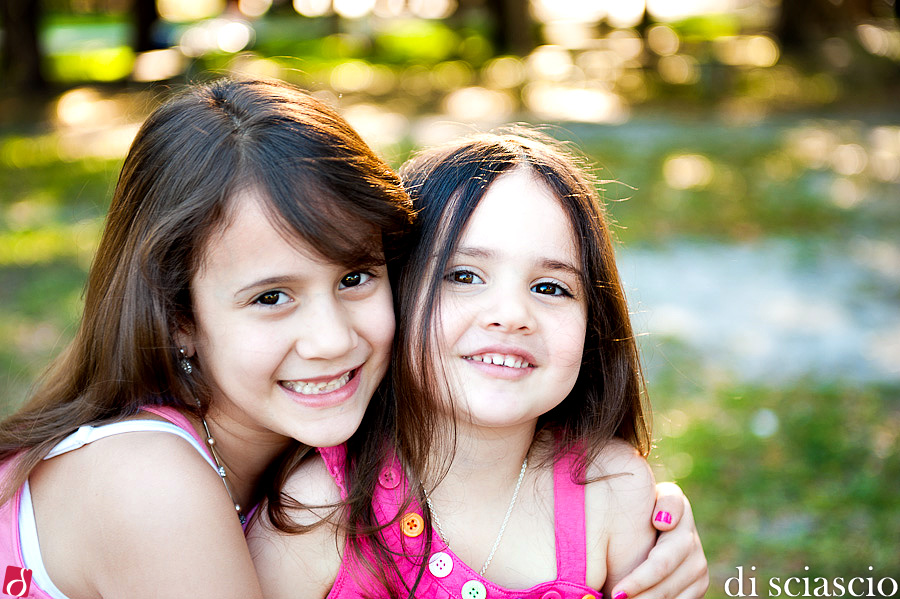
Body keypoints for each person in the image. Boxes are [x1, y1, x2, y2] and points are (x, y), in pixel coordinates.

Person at [249, 130, 709, 599]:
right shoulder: (315, 515)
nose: (510, 315)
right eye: (464, 276)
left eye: (550, 287)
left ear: (593, 323)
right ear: (395, 294)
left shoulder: (613, 493)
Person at [0, 78, 412, 598]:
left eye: (354, 279)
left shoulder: (305, 456)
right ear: (179, 319)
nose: (330, 340)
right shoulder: (149, 484)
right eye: (270, 298)